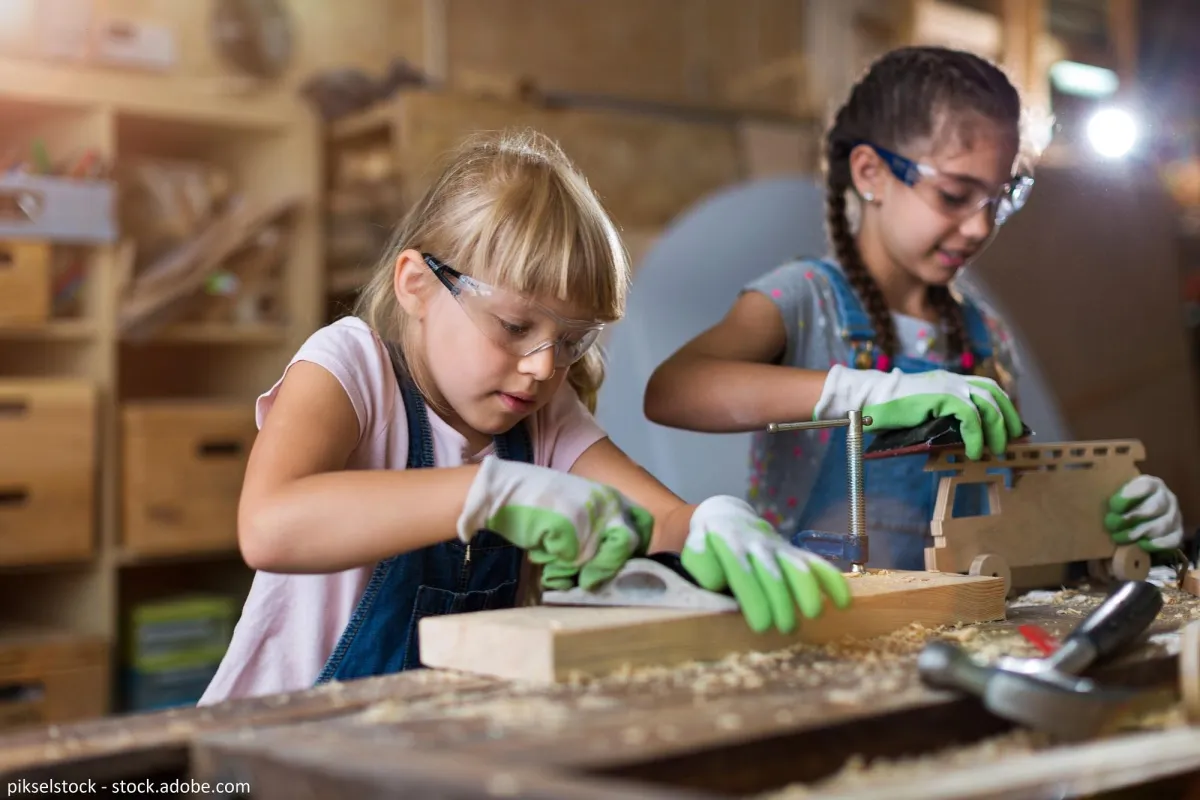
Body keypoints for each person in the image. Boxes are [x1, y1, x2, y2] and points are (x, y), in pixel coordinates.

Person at [198, 130, 851, 705]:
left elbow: (661, 520)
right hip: (268, 749)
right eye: (514, 326)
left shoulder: (542, 418)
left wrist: (712, 523)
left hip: (419, 755)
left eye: (571, 341)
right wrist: (491, 492)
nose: (543, 366)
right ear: (417, 286)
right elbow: (269, 525)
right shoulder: (352, 367)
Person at [643, 46, 1184, 571]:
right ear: (871, 173)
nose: (978, 227)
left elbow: (1008, 487)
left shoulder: (982, 335)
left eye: (997, 199)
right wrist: (863, 392)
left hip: (957, 616)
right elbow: (672, 391)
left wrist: (1104, 511)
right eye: (953, 195)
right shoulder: (806, 298)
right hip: (822, 614)